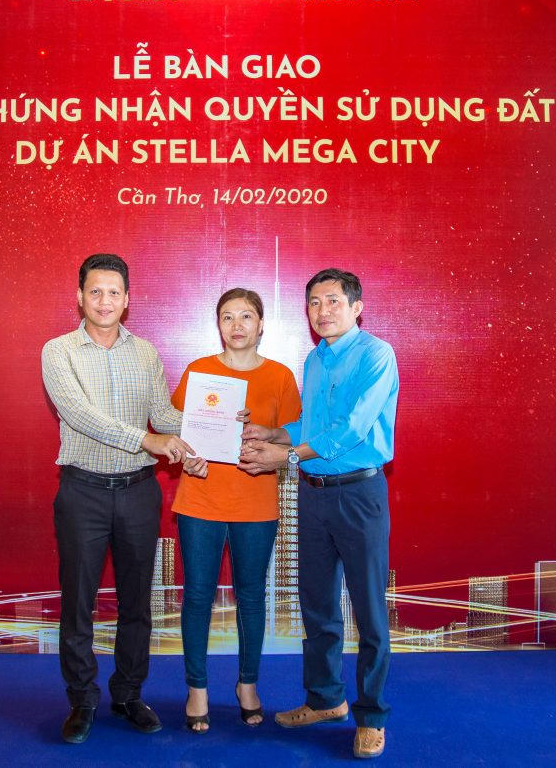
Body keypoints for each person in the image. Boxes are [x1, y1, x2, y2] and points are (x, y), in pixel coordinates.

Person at [239, 268, 398, 760]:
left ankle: (371, 717)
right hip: (313, 494)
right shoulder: (315, 358)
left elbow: (352, 429)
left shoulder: (376, 354)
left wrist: (285, 456)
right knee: (318, 604)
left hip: (359, 494)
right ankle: (326, 700)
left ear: (356, 307)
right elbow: (310, 423)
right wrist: (272, 433)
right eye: (313, 302)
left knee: (369, 611)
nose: (322, 311)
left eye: (333, 301)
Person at [41, 253, 196, 745]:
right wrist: (146, 439)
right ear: (79, 297)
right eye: (95, 291)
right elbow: (80, 415)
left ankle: (128, 694)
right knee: (78, 602)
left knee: (137, 603)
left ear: (127, 299)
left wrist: (214, 422)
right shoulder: (58, 351)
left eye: (113, 292)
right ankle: (81, 699)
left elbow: (163, 416)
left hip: (137, 493)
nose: (104, 301)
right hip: (82, 492)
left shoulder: (145, 353)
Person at [170, 288, 301, 733]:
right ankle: (197, 688)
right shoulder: (198, 371)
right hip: (200, 498)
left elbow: (294, 436)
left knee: (251, 596)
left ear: (261, 324)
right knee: (197, 596)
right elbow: (177, 430)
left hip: (256, 502)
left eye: (247, 316)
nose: (237, 325)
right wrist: (185, 456)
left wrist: (267, 437)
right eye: (228, 316)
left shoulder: (280, 376)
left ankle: (248, 684)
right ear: (218, 325)